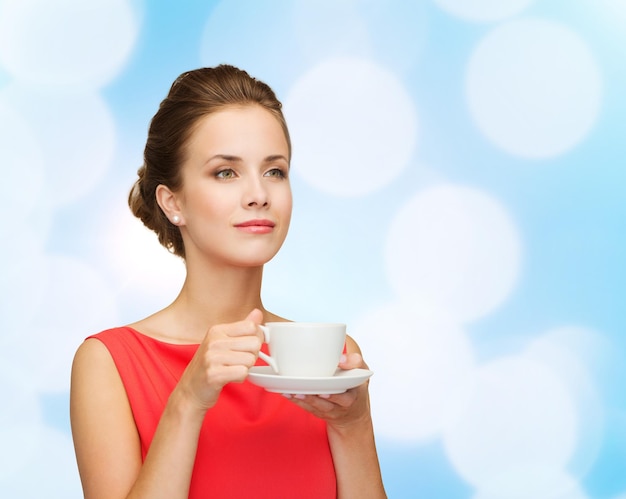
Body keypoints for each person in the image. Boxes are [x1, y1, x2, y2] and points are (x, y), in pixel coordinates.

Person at [70, 64, 387, 499]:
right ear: (172, 201)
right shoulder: (109, 363)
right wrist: (188, 401)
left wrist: (353, 423)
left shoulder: (330, 363)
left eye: (274, 171)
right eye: (226, 172)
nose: (259, 194)